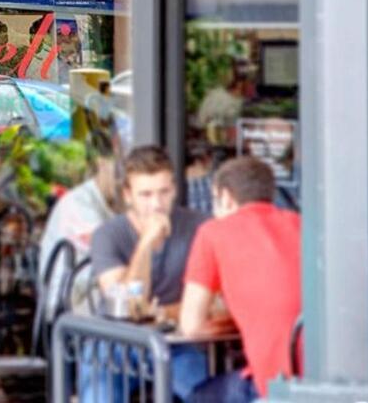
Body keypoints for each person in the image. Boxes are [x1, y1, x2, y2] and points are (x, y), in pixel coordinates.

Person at [81, 146, 208, 402]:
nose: (156, 204)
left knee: (204, 393)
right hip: (116, 340)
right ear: (128, 196)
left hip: (176, 342)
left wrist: (164, 313)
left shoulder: (199, 227)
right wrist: (146, 243)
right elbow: (129, 305)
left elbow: (215, 301)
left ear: (175, 189)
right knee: (99, 393)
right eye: (146, 194)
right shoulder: (108, 234)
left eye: (164, 192)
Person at [180, 156, 301, 402]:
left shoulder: (213, 232)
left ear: (226, 197)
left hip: (273, 385)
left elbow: (190, 326)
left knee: (197, 397)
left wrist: (229, 322)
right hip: (320, 376)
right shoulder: (299, 223)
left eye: (215, 201)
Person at [38, 156, 120, 310]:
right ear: (102, 163)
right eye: (118, 170)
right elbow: (109, 249)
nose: (122, 179)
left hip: (91, 294)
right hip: (68, 303)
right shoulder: (78, 202)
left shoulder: (111, 205)